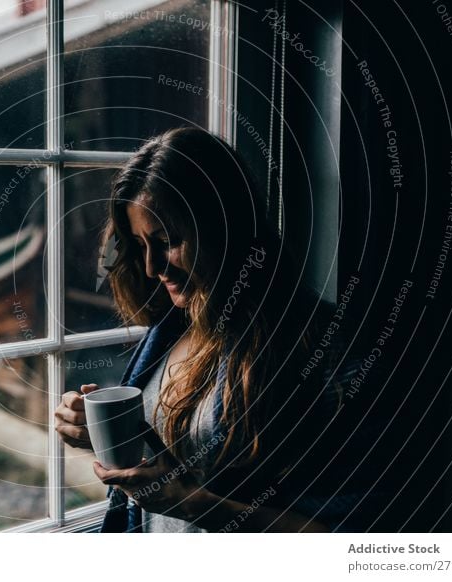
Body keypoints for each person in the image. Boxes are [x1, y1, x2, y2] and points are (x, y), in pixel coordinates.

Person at [55, 127, 383, 533]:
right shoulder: (171, 332)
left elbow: (355, 535)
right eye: (140, 245)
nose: (152, 268)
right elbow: (173, 460)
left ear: (226, 225)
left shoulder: (326, 349)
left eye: (169, 240)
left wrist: (196, 506)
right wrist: (99, 430)